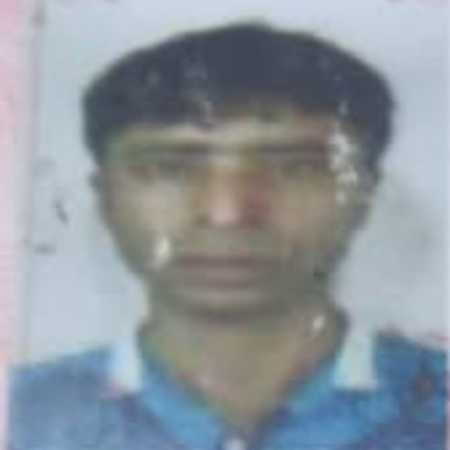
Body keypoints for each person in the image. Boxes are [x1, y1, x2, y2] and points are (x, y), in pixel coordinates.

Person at [9, 23, 446, 450]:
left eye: (294, 168)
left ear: (364, 196)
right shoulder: (21, 413)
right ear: (105, 197)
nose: (228, 213)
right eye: (168, 168)